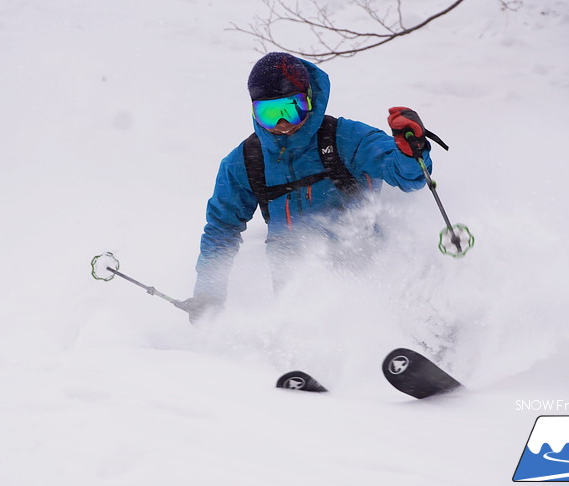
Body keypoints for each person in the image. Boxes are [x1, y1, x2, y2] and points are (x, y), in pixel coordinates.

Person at [179, 52, 435, 323]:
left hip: (371, 272)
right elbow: (221, 228)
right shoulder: (244, 161)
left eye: (291, 108)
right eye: (269, 114)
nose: (282, 124)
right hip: (296, 295)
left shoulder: (346, 138)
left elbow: (410, 178)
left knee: (376, 321)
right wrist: (209, 294)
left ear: (309, 100)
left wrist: (412, 152)